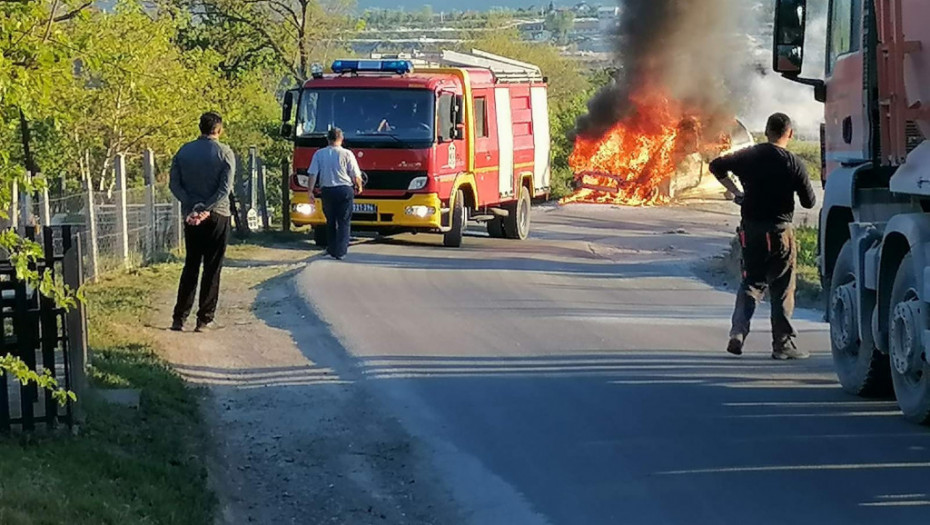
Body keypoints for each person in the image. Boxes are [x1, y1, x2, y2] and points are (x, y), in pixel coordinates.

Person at [709, 113, 817, 360]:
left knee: (751, 282)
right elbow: (809, 202)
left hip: (751, 230)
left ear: (766, 132)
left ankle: (737, 332)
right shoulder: (793, 162)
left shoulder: (748, 155)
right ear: (789, 134)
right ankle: (783, 344)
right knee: (781, 287)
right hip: (780, 232)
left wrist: (737, 192)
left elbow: (716, 166)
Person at [168, 112, 235, 332]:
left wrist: (192, 205)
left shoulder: (183, 152)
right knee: (212, 267)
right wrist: (206, 207)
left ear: (200, 128)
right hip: (217, 214)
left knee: (191, 264)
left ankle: (179, 317)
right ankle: (204, 319)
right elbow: (225, 189)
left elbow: (174, 185)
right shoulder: (225, 153)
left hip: (191, 215)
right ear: (219, 129)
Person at [306, 128, 364, 259]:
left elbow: (313, 173)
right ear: (341, 139)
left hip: (327, 190)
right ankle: (341, 251)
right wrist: (359, 186)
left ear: (328, 139)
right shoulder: (347, 154)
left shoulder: (319, 154)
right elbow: (355, 174)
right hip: (344, 190)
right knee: (344, 221)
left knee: (330, 221)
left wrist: (310, 191)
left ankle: (332, 249)